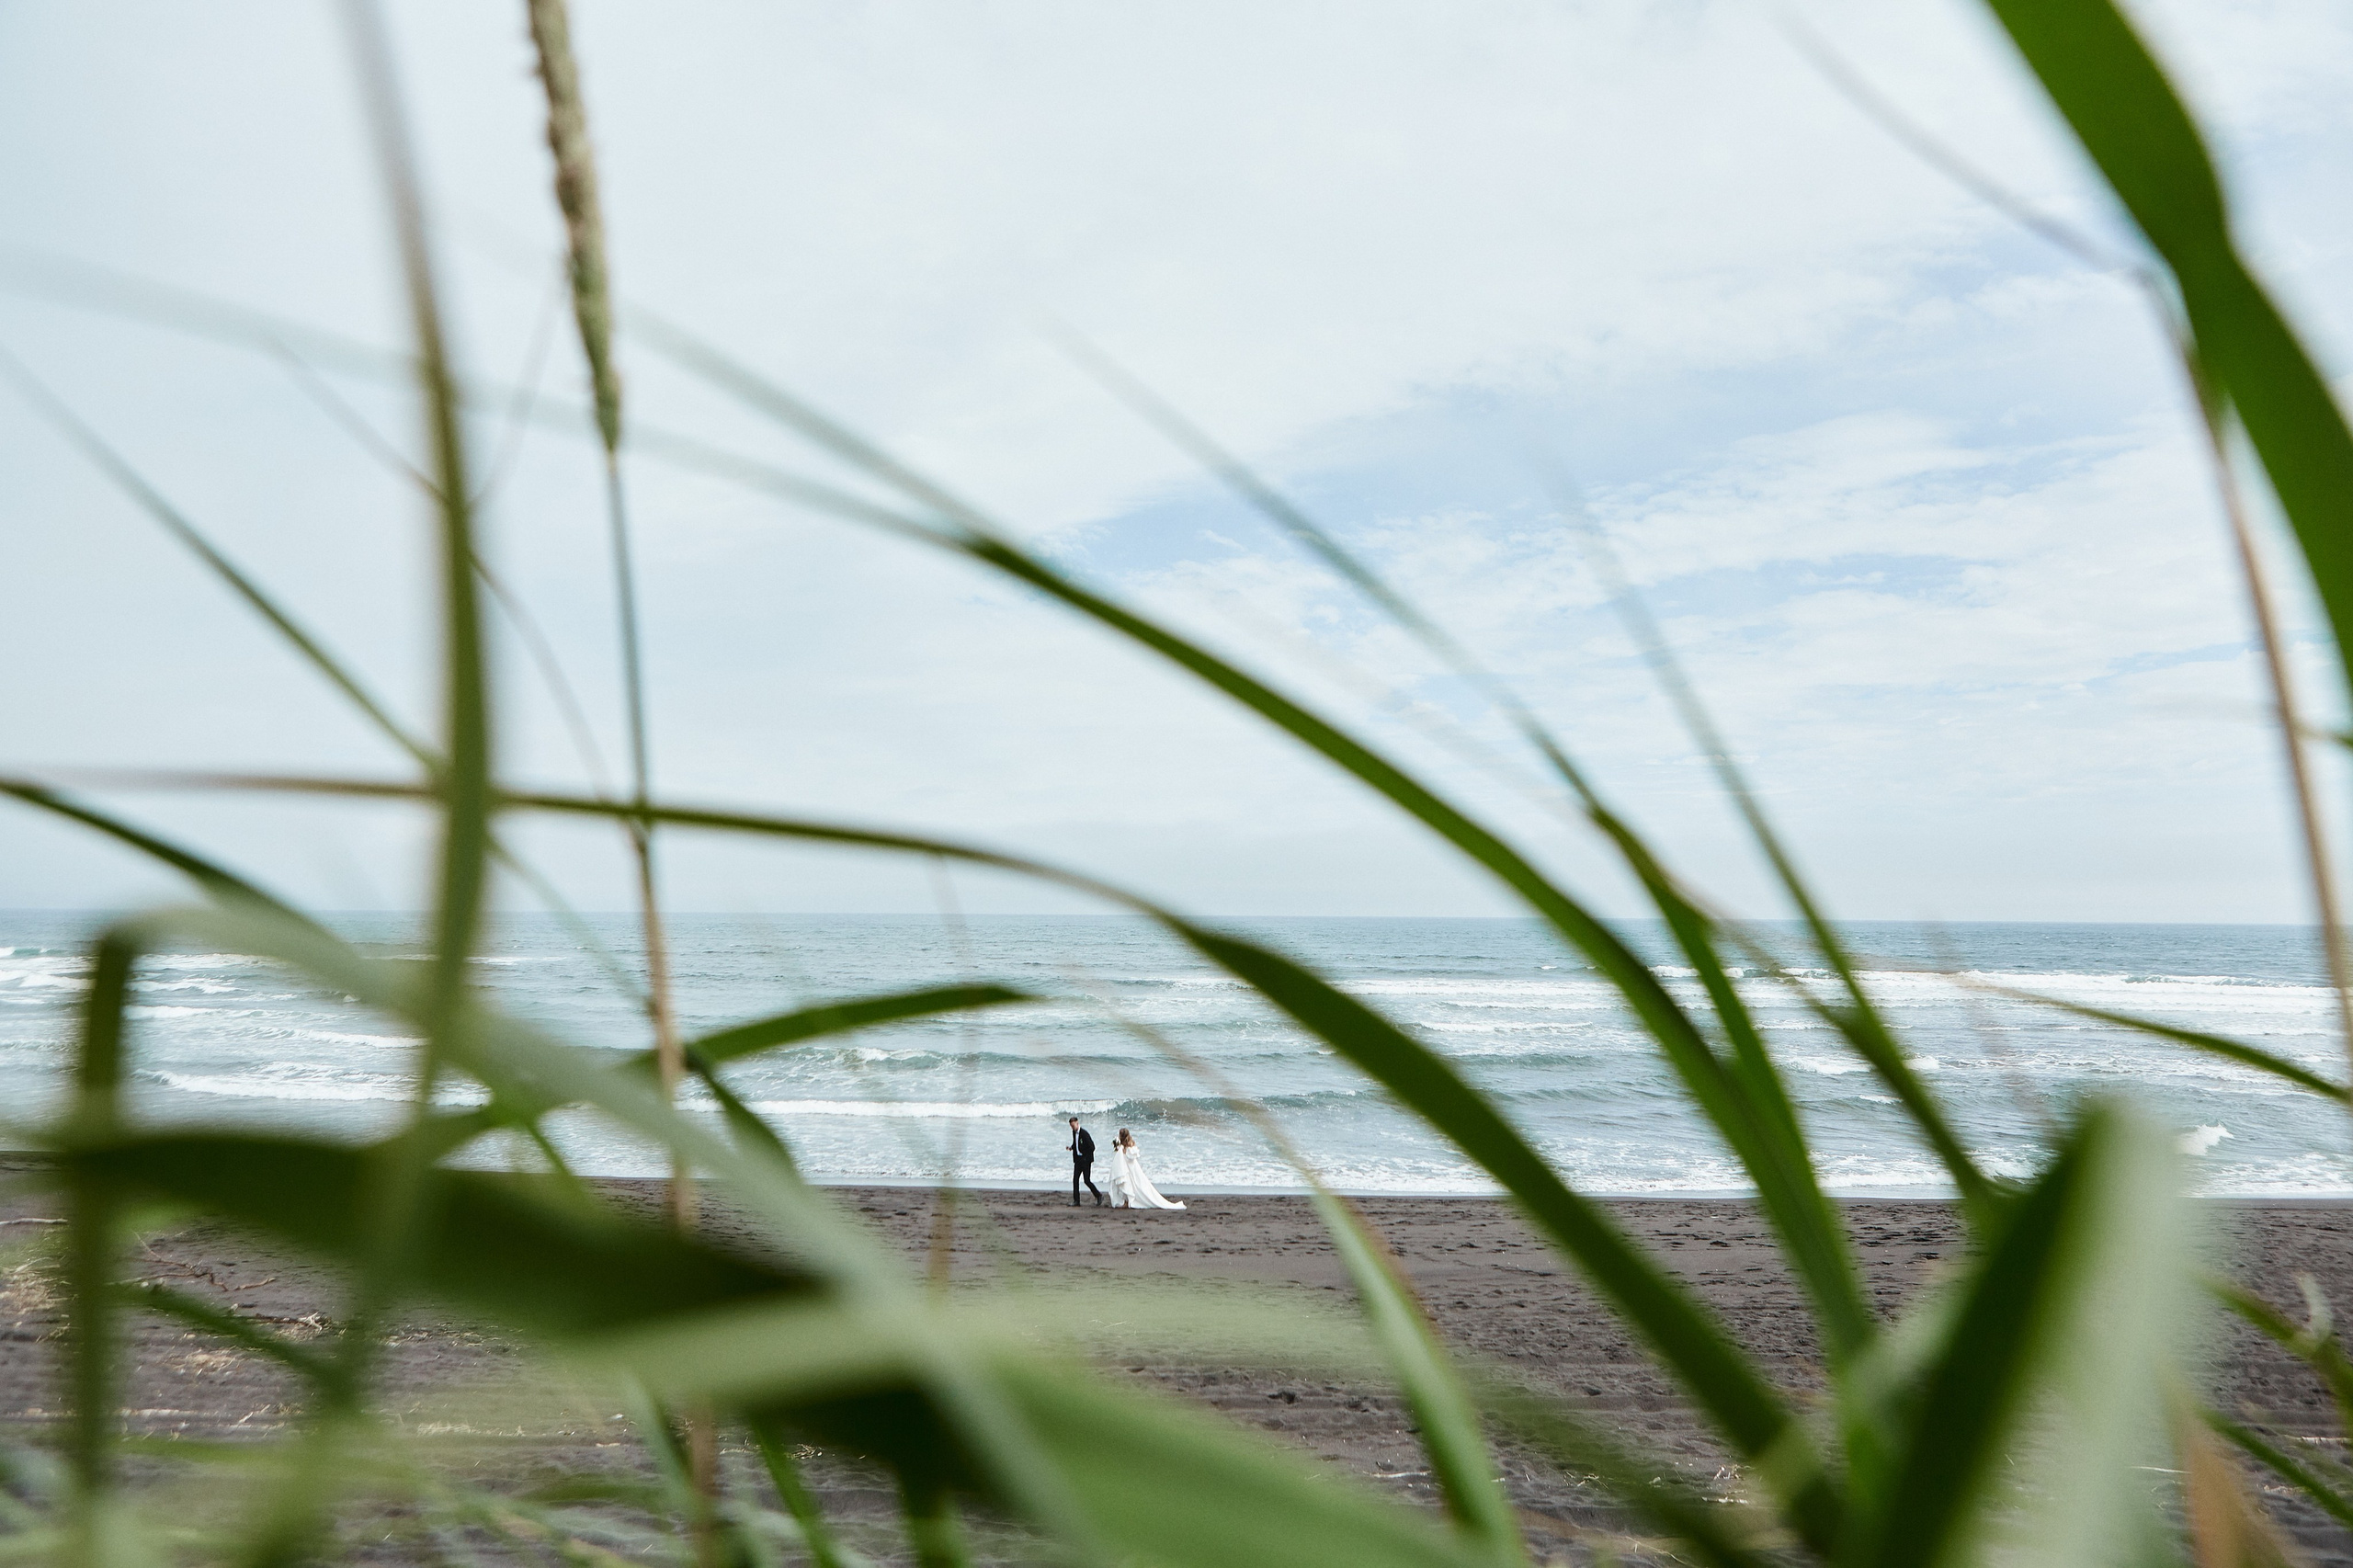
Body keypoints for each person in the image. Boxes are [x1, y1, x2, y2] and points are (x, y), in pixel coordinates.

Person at [1106, 1127, 1185, 1210]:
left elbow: (1125, 1158)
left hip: (1130, 1169)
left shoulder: (1126, 1148)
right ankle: (1127, 1201)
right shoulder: (1128, 1146)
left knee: (1129, 1184)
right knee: (1132, 1184)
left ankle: (1127, 1201)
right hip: (1131, 1169)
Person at [1067, 1116, 1101, 1207]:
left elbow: (1092, 1147)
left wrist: (1086, 1157)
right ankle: (1076, 1201)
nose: (1072, 1128)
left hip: (1086, 1160)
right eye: (1071, 1126)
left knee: (1087, 1180)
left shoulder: (1084, 1134)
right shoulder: (1074, 1133)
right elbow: (1076, 1143)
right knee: (1075, 1180)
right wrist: (1071, 1147)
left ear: (1077, 1123)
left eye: (1073, 1126)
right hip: (1078, 1160)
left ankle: (1098, 1195)